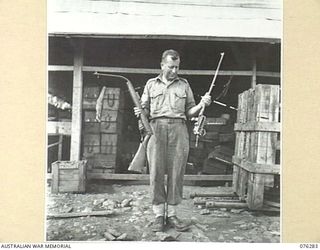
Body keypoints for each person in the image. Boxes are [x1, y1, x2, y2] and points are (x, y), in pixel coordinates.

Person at [134, 49, 211, 232]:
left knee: (177, 172)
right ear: (162, 65)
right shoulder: (151, 84)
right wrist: (140, 112)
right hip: (155, 129)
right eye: (171, 67)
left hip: (179, 129)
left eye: (177, 67)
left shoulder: (184, 85)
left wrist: (201, 105)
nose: (175, 71)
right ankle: (159, 216)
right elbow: (144, 110)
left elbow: (190, 111)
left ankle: (172, 215)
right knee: (156, 173)